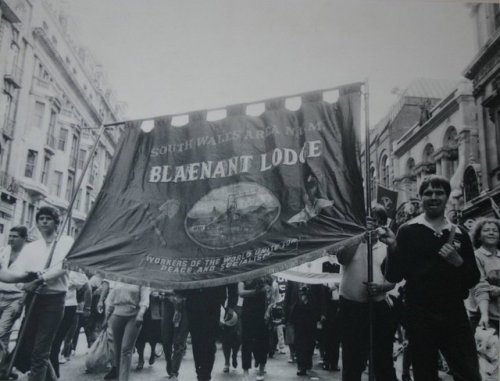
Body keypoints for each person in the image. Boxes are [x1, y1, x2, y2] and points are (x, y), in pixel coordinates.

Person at [382, 175, 481, 381]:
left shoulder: (460, 233)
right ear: (421, 198)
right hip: (420, 314)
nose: (433, 197)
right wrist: (392, 247)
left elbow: (472, 278)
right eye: (428, 193)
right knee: (425, 373)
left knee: (468, 372)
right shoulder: (407, 231)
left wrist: (458, 262)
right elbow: (394, 275)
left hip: (454, 313)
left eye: (439, 193)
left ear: (446, 197)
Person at [337, 204, 398, 381]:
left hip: (378, 307)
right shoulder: (351, 241)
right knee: (352, 361)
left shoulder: (387, 246)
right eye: (369, 221)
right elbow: (342, 258)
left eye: (377, 222)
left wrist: (380, 288)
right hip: (351, 308)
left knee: (382, 361)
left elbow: (392, 280)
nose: (373, 225)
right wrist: (359, 236)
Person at [13, 206, 74, 381]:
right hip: (33, 299)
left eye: (48, 218)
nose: (44, 221)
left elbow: (65, 266)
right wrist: (25, 283)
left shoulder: (66, 242)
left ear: (56, 222)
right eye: (41, 219)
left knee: (40, 351)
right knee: (27, 347)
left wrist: (41, 278)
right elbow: (20, 273)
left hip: (54, 300)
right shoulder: (31, 247)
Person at [178, 283, 238, 381]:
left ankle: (205, 375)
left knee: (209, 342)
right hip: (193, 303)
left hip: (213, 305)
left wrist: (231, 306)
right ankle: (200, 373)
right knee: (196, 342)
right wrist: (179, 294)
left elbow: (231, 280)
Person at [103, 282, 150, 381]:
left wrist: (141, 314)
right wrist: (106, 318)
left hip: (134, 316)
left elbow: (145, 300)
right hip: (117, 314)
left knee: (126, 350)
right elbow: (110, 299)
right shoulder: (119, 278)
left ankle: (124, 379)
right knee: (117, 349)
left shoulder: (142, 279)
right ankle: (119, 377)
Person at [0, 226, 28, 379]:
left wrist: (21, 302)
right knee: (3, 338)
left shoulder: (28, 255)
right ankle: (4, 369)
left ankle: (5, 367)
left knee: (1, 332)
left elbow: (29, 280)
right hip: (0, 294)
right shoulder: (4, 251)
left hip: (14, 297)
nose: (10, 239)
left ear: (23, 238)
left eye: (15, 236)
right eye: (9, 236)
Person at [471, 218, 500, 332]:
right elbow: (481, 286)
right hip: (484, 317)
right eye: (486, 230)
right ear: (478, 236)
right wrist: (484, 315)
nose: (491, 232)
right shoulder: (476, 257)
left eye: (495, 230)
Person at [239, 277, 270, 381]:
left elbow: (268, 290)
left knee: (261, 343)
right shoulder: (245, 277)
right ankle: (245, 372)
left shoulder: (264, 275)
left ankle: (261, 369)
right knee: (246, 343)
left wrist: (267, 312)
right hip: (247, 314)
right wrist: (256, 292)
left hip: (261, 314)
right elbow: (241, 292)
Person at [160, 291, 188, 380]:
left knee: (180, 341)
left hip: (185, 306)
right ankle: (169, 360)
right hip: (168, 305)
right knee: (166, 339)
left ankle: (174, 372)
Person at [290, 285, 317, 377]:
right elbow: (292, 317)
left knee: (309, 347)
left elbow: (315, 316)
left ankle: (307, 363)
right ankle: (302, 367)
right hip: (300, 330)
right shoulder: (297, 305)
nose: (302, 296)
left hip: (310, 329)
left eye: (303, 294)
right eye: (301, 294)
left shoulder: (312, 304)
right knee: (300, 348)